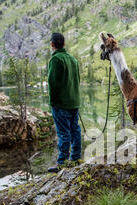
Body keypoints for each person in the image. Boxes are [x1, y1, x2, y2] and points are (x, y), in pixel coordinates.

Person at [47, 32, 82, 173]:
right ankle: (76, 159)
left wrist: (53, 102)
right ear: (64, 44)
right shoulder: (73, 59)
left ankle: (61, 163)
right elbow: (77, 81)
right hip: (74, 102)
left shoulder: (56, 60)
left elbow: (52, 83)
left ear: (52, 44)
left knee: (63, 133)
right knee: (75, 131)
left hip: (61, 104)